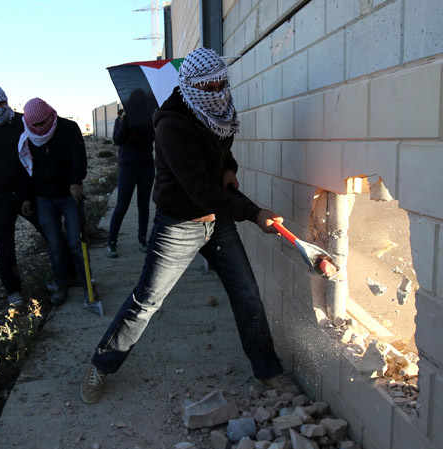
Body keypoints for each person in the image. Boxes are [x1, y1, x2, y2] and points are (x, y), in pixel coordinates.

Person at [81, 47, 295, 404]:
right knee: (146, 301)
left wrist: (230, 168)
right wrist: (255, 214)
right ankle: (101, 365)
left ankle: (268, 371)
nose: (217, 91)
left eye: (221, 83)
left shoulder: (219, 107)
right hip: (179, 223)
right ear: (191, 86)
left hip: (218, 222)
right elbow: (200, 191)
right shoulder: (172, 126)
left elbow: (223, 146)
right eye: (208, 87)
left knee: (247, 295)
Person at [0, 86, 44, 306]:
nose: (0, 108)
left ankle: (67, 276)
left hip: (28, 194)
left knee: (52, 234)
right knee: (5, 245)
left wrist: (30, 194)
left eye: (3, 102)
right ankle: (13, 290)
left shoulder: (23, 121)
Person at [19, 98, 88, 305]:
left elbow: (79, 158)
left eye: (43, 123)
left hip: (69, 195)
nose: (40, 128)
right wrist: (27, 198)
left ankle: (87, 284)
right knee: (55, 245)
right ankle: (61, 284)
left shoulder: (68, 128)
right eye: (36, 125)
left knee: (76, 243)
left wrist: (76, 182)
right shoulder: (27, 137)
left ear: (51, 115)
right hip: (44, 198)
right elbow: (27, 168)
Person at [106, 108, 155, 257]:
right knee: (122, 205)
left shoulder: (148, 118)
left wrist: (138, 124)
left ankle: (142, 240)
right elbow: (118, 139)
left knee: (143, 205)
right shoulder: (121, 119)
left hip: (146, 167)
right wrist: (126, 123)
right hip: (127, 167)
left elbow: (150, 137)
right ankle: (111, 242)